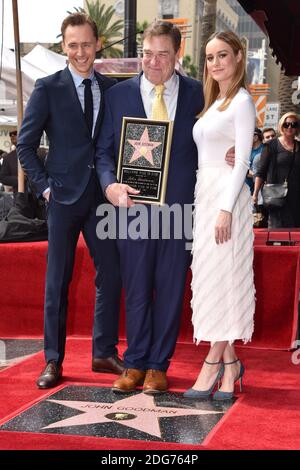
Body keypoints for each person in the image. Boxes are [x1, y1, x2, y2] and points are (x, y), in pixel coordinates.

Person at [95, 21, 234, 394]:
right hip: (132, 209)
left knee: (170, 286)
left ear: (178, 55)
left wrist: (230, 152)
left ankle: (159, 365)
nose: (153, 62)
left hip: (182, 209)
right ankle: (136, 362)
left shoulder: (197, 93)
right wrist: (109, 186)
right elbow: (104, 151)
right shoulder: (117, 95)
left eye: (162, 54)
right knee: (136, 287)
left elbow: (219, 131)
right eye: (147, 53)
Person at [17, 12, 123, 389]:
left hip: (102, 198)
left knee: (111, 273)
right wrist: (46, 188)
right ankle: (52, 359)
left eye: (86, 44)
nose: (80, 51)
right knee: (56, 281)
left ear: (98, 45)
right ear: (64, 46)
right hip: (62, 198)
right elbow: (25, 147)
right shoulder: (47, 88)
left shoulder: (112, 89)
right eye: (72, 45)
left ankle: (103, 352)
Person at [184, 30, 256, 401]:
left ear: (239, 57)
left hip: (226, 201)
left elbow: (242, 159)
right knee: (213, 279)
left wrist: (226, 209)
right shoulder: (216, 103)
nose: (215, 64)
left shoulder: (242, 101)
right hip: (206, 196)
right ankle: (231, 368)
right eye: (210, 57)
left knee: (227, 277)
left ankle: (212, 362)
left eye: (222, 55)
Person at [253, 112, 300, 228]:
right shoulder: (271, 145)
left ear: (297, 128)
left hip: (297, 197)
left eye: (293, 124)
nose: (290, 127)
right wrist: (255, 194)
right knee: (278, 232)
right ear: (281, 125)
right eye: (286, 124)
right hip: (277, 196)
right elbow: (261, 172)